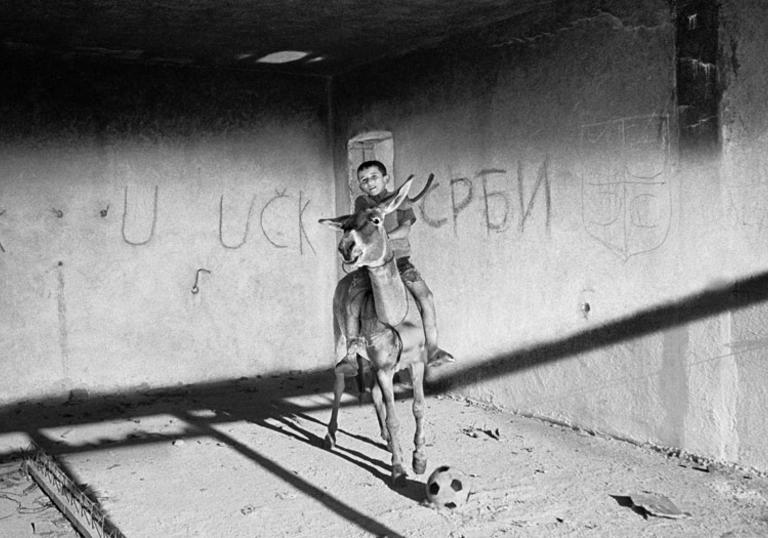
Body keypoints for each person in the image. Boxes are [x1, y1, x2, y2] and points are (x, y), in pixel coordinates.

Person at [336, 160, 454, 376]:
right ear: (360, 186)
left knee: (426, 297)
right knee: (352, 299)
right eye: (363, 180)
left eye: (373, 177)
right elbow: (363, 225)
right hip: (371, 265)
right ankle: (351, 354)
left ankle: (433, 348)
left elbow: (405, 229)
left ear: (386, 179)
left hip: (399, 262)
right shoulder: (362, 203)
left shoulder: (403, 201)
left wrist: (384, 238)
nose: (369, 182)